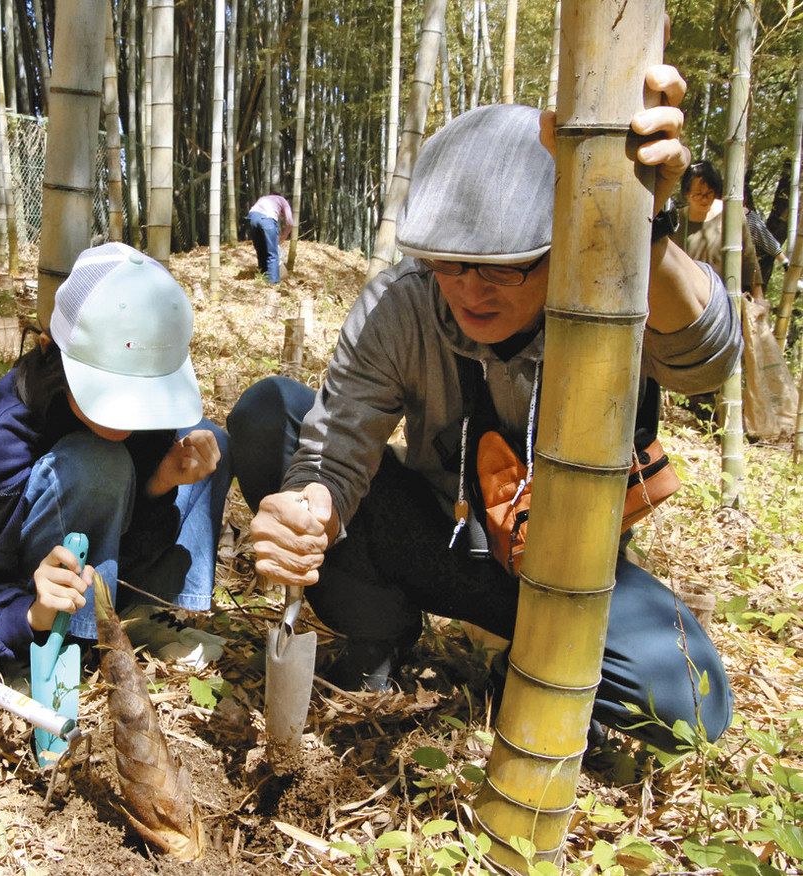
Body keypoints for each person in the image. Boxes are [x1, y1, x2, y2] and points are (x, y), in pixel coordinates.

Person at [229, 67, 740, 752]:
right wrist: (311, 504)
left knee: (687, 701)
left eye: (503, 265)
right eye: (448, 261)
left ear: (560, 243)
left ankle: (525, 672)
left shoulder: (607, 290)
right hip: (436, 536)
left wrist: (640, 227)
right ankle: (378, 631)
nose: (470, 288)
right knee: (271, 413)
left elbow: (704, 360)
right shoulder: (404, 305)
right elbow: (337, 444)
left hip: (562, 575)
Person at [0, 242, 230, 668]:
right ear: (49, 348)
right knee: (98, 464)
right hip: (27, 606)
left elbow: (131, 542)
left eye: (143, 393)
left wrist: (158, 483)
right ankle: (68, 642)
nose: (132, 413)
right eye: (115, 389)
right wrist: (27, 617)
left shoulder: (144, 420)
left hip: (108, 581)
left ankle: (141, 615)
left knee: (207, 443)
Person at [675, 160, 762, 299]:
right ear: (686, 194)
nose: (704, 200)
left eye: (709, 193)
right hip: (687, 300)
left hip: (726, 298)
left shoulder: (731, 214)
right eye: (697, 194)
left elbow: (749, 258)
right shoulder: (676, 220)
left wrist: (758, 297)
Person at [247, 192, 295, 284]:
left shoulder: (264, 198)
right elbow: (290, 222)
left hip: (252, 217)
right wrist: (284, 236)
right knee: (272, 253)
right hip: (267, 219)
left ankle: (263, 277)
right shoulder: (284, 201)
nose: (281, 216)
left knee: (261, 251)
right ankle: (273, 283)